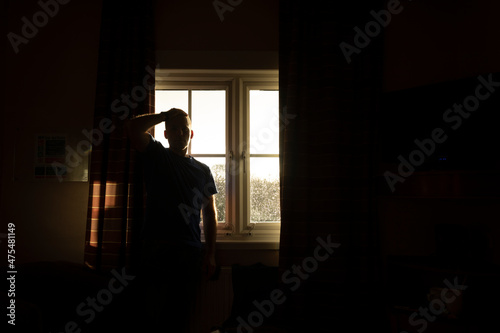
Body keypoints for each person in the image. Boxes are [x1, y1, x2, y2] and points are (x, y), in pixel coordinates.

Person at [125, 108, 218, 332]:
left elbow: (210, 213)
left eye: (184, 129)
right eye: (174, 129)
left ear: (191, 134)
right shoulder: (157, 154)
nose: (179, 133)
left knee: (179, 318)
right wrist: (165, 115)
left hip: (189, 252)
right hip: (156, 249)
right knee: (151, 317)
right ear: (165, 134)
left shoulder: (203, 170)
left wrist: (210, 254)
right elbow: (131, 129)